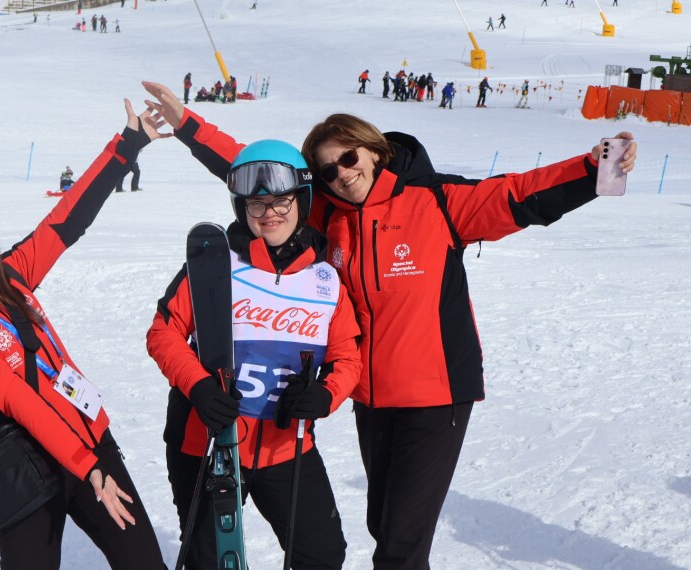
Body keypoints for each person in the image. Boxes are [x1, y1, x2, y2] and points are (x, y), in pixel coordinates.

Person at [140, 80, 638, 570]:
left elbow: (520, 195)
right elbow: (265, 178)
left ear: (375, 151)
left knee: (399, 547)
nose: (341, 173)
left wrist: (595, 167)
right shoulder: (328, 215)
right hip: (372, 401)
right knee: (383, 526)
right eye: (328, 170)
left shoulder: (438, 201)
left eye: (348, 158)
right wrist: (188, 126)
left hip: (434, 396)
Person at [0, 98, 170, 569]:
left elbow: (68, 219)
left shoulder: (11, 276)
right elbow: (12, 396)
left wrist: (127, 145)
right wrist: (86, 467)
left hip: (88, 439)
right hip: (23, 465)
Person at [146, 140, 362, 569]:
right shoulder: (215, 265)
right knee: (211, 561)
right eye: (256, 204)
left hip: (286, 447)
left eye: (281, 201)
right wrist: (199, 387)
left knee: (321, 555)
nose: (269, 213)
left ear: (302, 200)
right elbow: (162, 333)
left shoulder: (325, 280)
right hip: (209, 444)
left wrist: (325, 395)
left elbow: (347, 358)